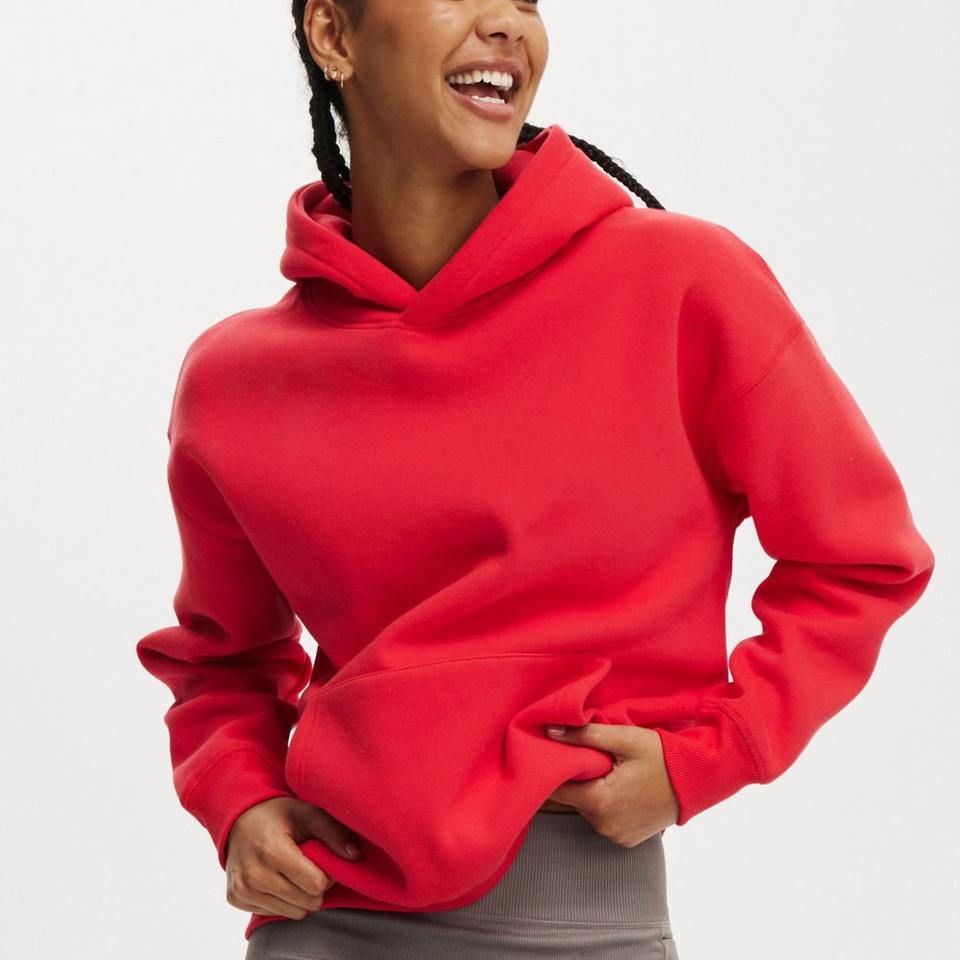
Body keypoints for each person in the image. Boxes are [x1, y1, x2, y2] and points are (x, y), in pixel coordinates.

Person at [135, 2, 935, 957]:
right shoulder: (235, 381)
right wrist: (241, 803)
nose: (508, 24)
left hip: (587, 921)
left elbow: (861, 558)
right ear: (334, 36)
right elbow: (221, 662)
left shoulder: (680, 282)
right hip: (326, 919)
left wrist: (713, 753)